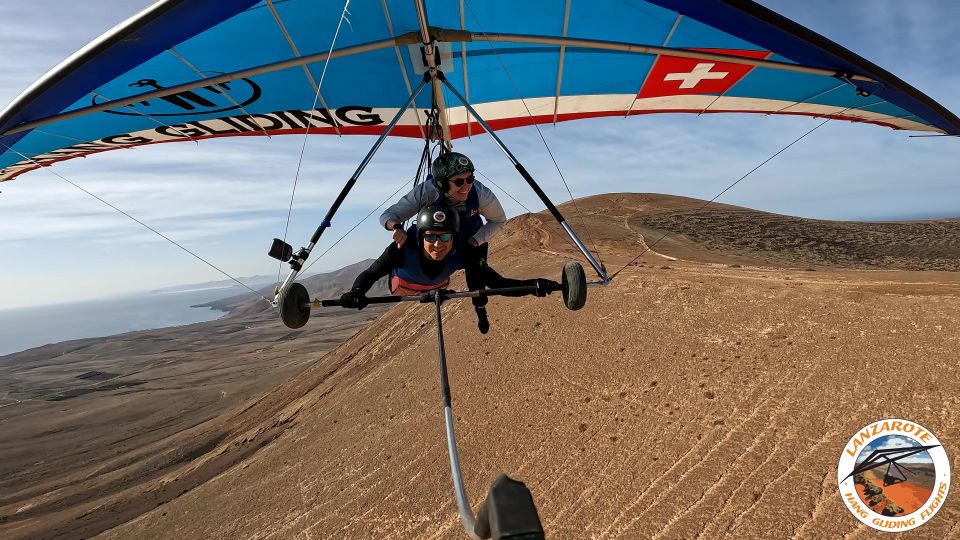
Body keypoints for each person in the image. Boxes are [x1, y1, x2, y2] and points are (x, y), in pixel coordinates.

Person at [344, 203, 558, 333]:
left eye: (446, 237)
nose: (438, 244)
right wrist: (356, 292)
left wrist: (538, 286)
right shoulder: (401, 249)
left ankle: (480, 311)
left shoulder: (460, 254)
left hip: (436, 285)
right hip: (403, 284)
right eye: (431, 237)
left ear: (454, 238)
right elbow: (370, 274)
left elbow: (497, 284)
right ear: (420, 237)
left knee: (478, 281)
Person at [379, 152, 506, 332]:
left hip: (469, 237)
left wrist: (476, 240)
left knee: (477, 275)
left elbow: (499, 220)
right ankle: (427, 288)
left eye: (470, 178)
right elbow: (388, 216)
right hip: (440, 240)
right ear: (442, 183)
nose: (466, 186)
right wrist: (396, 227)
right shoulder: (427, 191)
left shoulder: (479, 192)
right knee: (426, 262)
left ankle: (480, 308)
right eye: (459, 182)